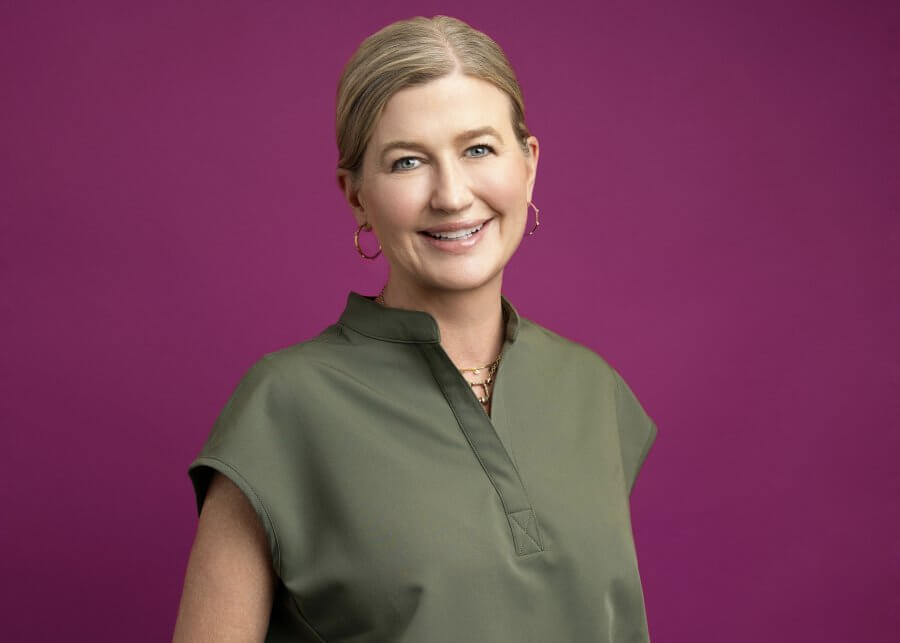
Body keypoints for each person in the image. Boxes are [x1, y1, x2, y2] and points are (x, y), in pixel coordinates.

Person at [173, 15, 658, 643]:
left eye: (479, 148)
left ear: (528, 164)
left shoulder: (592, 391)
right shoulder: (284, 406)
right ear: (356, 197)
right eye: (408, 162)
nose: (452, 195)